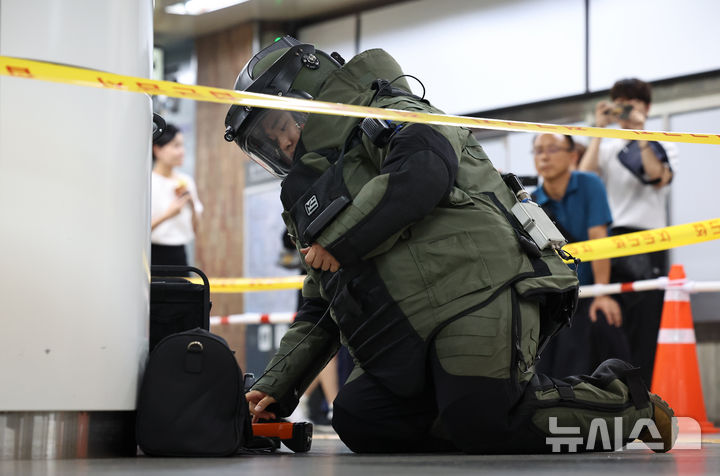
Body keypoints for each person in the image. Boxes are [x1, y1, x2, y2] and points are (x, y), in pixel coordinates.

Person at [224, 36, 675, 453]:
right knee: (362, 418)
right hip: (404, 329)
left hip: (477, 291)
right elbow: (323, 302)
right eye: (267, 140)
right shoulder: (309, 199)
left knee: (482, 417)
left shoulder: (393, 110)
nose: (282, 142)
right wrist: (276, 385)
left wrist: (341, 242)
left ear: (309, 95)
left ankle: (628, 406)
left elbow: (422, 174)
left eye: (283, 124)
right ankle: (476, 423)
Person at [578, 78, 679, 386]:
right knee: (609, 326)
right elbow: (583, 176)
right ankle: (611, 398)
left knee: (646, 326)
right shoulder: (608, 148)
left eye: (632, 102)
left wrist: (641, 133)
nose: (625, 108)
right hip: (611, 241)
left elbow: (656, 176)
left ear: (646, 107)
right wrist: (598, 128)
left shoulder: (664, 143)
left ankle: (643, 398)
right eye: (620, 102)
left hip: (650, 241)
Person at [531, 133, 631, 377]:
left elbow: (599, 240)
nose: (544, 156)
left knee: (608, 338)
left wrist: (602, 293)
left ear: (572, 155)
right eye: (538, 150)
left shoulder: (589, 184)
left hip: (590, 294)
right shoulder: (531, 203)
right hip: (555, 300)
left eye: (552, 148)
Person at [151, 123, 203, 267]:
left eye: (182, 145)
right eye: (176, 146)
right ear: (157, 150)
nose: (182, 151)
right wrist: (168, 214)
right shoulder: (147, 183)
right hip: (152, 255)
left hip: (180, 255)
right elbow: (136, 233)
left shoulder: (186, 182)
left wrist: (192, 204)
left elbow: (196, 228)